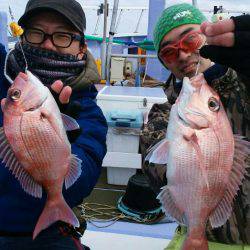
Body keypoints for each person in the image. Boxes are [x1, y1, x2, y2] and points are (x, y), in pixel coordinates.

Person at [140, 3, 250, 249]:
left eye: (190, 40)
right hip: (204, 238)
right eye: (169, 52)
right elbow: (157, 173)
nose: (182, 54)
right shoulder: (161, 117)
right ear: (165, 63)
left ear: (208, 36)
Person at [0, 0, 107, 249]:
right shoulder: (7, 80)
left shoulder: (88, 111)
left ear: (81, 48)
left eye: (62, 36)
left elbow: (79, 184)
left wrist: (58, 136)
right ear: (23, 39)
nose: (47, 44)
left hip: (50, 233)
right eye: (36, 33)